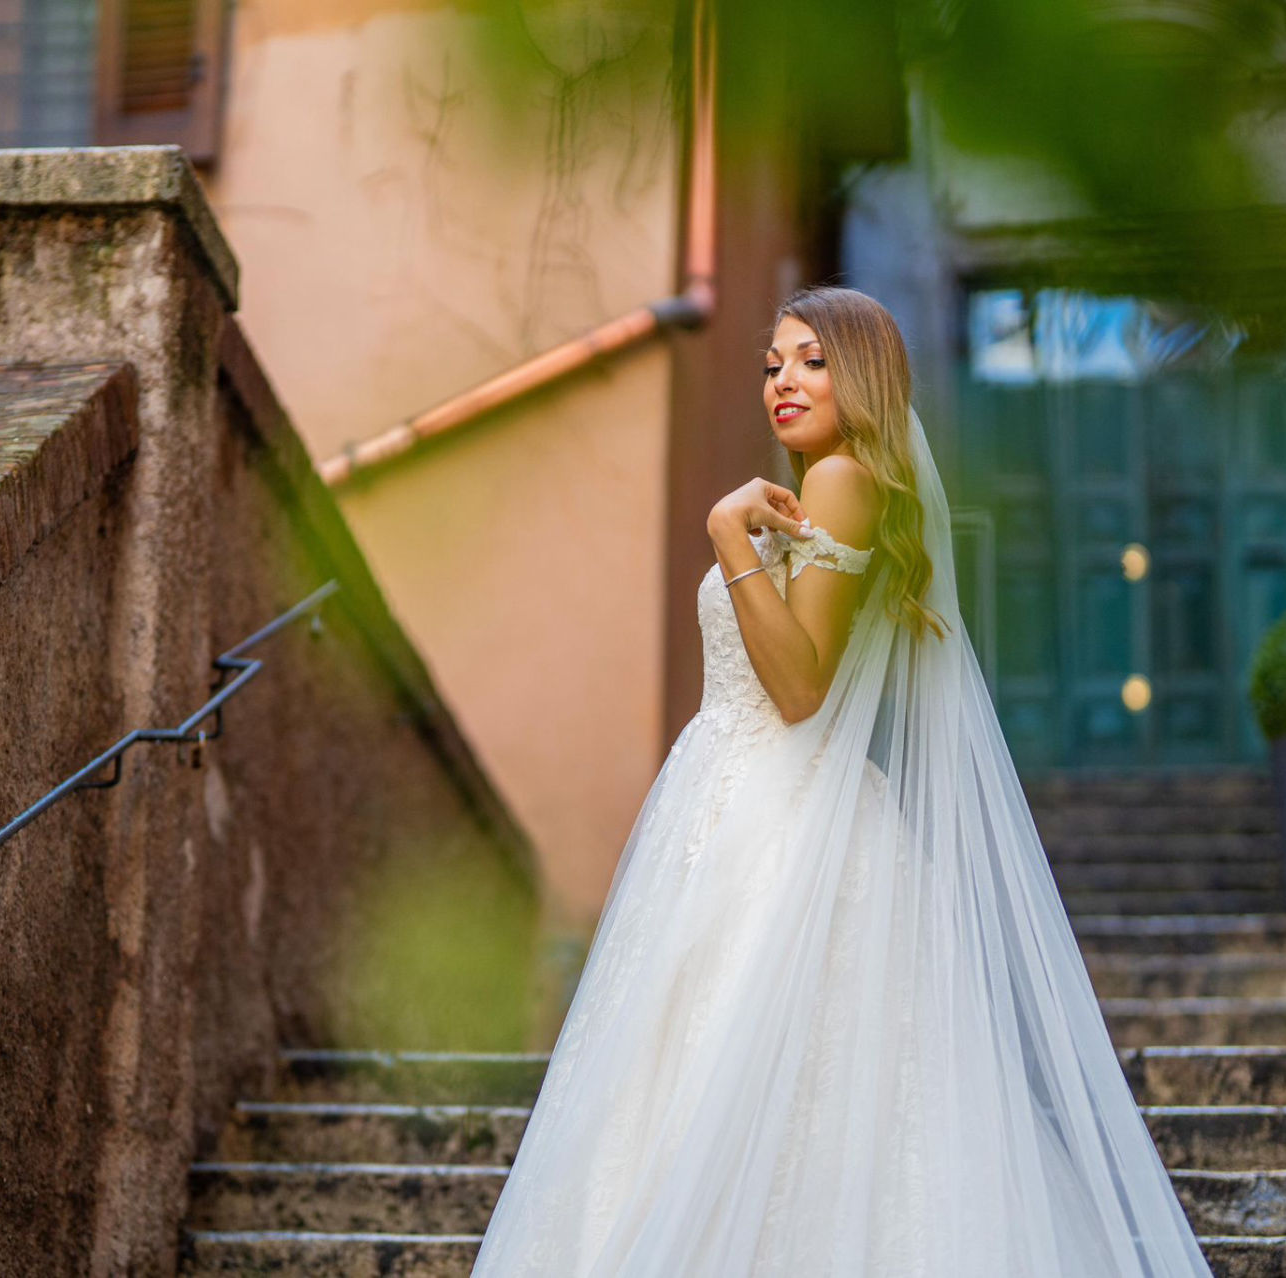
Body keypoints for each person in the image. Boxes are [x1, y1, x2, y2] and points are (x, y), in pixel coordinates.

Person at [471, 285, 1212, 1275]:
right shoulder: (818, 487)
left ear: (860, 374)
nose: (782, 380)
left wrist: (724, 535)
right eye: (771, 363)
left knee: (747, 1108)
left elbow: (799, 689)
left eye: (810, 359)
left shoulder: (841, 479)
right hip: (739, 814)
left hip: (782, 828)